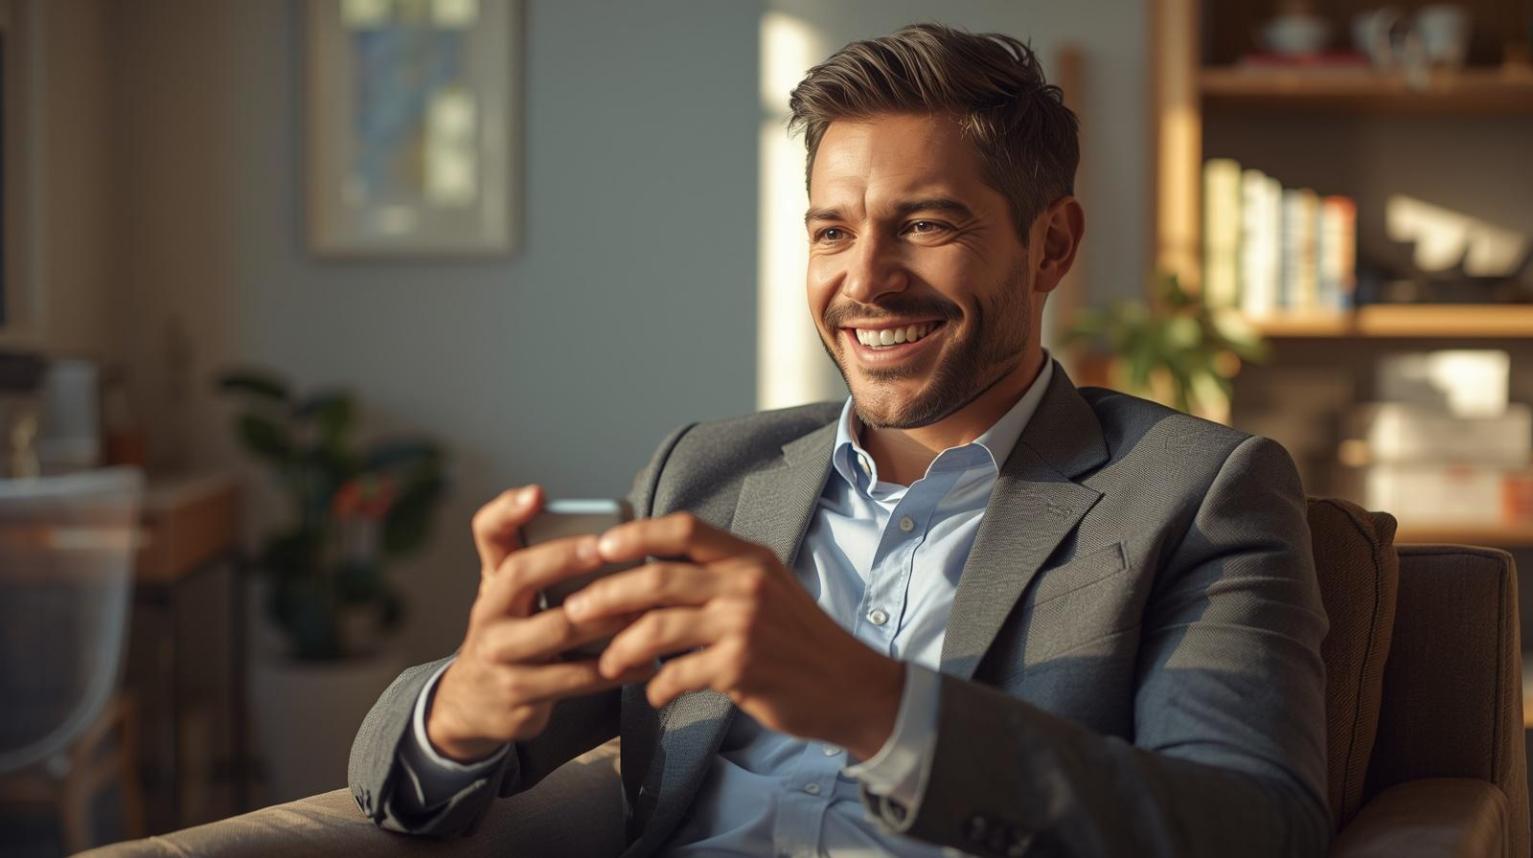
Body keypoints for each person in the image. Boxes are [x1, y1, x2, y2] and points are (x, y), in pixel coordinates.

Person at [349, 22, 1330, 858]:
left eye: (926, 225)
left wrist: (876, 706)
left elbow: (1256, 825)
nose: (866, 280)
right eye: (831, 232)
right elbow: (391, 781)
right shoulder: (706, 474)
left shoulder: (1196, 491)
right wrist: (471, 701)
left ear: (1052, 245)